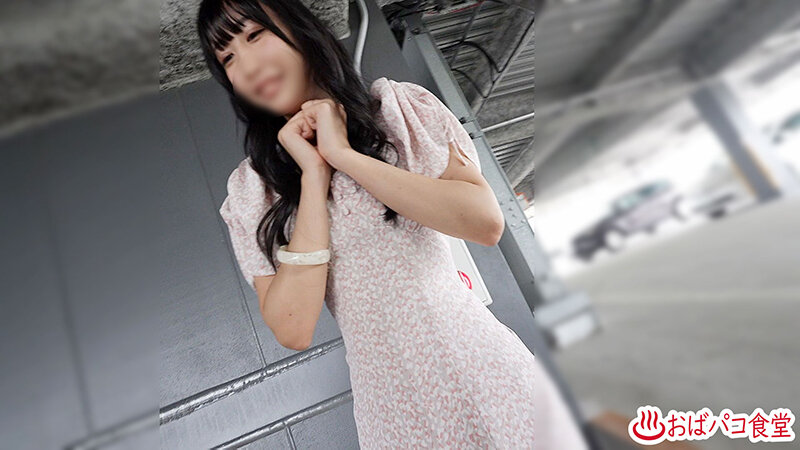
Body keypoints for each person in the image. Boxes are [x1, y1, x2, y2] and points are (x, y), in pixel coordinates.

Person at [196, 0, 589, 448]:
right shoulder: (252, 191)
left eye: (254, 35)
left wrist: (344, 155)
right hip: (391, 408)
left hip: (484, 368)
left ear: (301, 29)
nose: (247, 66)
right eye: (228, 58)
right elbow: (293, 327)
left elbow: (484, 223)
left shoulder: (399, 110)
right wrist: (313, 176)